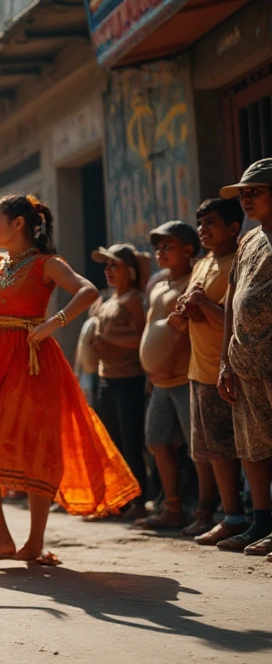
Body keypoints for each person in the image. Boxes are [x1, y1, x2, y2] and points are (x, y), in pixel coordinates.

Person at [0, 195, 140, 566]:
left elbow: (88, 291)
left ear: (19, 224)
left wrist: (53, 323)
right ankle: (0, 536)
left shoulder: (48, 263)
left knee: (36, 447)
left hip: (31, 360)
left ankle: (34, 542)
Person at [176, 198, 249, 546]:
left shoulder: (240, 261)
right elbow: (193, 312)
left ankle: (238, 516)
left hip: (229, 368)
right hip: (199, 368)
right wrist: (186, 311)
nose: (203, 229)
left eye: (212, 223)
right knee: (210, 450)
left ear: (235, 228)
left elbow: (235, 320)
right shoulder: (202, 263)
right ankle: (227, 513)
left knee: (237, 447)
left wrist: (203, 305)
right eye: (200, 222)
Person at [217, 158, 272, 557]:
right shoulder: (249, 240)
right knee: (253, 445)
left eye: (255, 191)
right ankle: (261, 522)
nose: (246, 199)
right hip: (244, 360)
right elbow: (233, 300)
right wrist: (225, 361)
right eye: (243, 194)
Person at [137, 221, 200, 531]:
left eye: (168, 246)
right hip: (159, 379)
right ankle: (172, 506)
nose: (160, 252)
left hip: (184, 376)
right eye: (157, 248)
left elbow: (188, 332)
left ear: (188, 251)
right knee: (157, 442)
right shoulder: (159, 285)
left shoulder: (194, 282)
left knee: (197, 447)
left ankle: (204, 508)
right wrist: (153, 370)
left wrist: (167, 362)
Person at [88, 243, 151, 520]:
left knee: (130, 443)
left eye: (115, 265)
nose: (108, 271)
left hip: (129, 380)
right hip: (105, 379)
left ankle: (139, 502)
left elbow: (142, 338)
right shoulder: (105, 301)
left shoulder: (134, 300)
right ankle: (117, 501)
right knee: (110, 444)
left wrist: (107, 341)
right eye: (107, 265)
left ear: (131, 271)